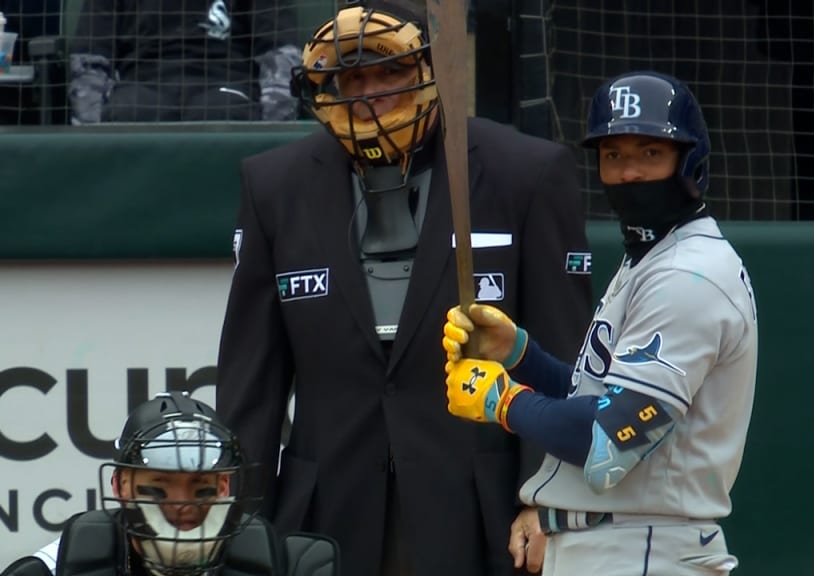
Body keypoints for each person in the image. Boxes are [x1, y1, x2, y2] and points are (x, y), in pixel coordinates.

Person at [215, 0, 593, 574]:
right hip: (323, 519)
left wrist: (547, 504)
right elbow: (252, 383)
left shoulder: (527, 172)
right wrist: (237, 526)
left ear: (428, 69)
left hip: (482, 517)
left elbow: (565, 355)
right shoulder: (274, 185)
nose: (371, 93)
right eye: (353, 78)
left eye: (390, 72)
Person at [442, 71, 759, 574]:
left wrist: (503, 401)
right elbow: (598, 397)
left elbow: (609, 442)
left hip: (644, 549)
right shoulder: (652, 259)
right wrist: (520, 356)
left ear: (690, 160)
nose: (629, 172)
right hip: (621, 546)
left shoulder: (687, 276)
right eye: (614, 156)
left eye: (649, 153)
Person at [0, 391, 340, 576]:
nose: (183, 506)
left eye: (201, 487)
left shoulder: (285, 565)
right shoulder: (59, 566)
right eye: (158, 488)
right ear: (120, 486)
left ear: (225, 488)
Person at [68, 0, 301, 123]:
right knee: (131, 111)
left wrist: (274, 126)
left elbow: (280, 51)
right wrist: (90, 132)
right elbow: (90, 57)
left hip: (224, 83)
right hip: (142, 84)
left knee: (220, 114)